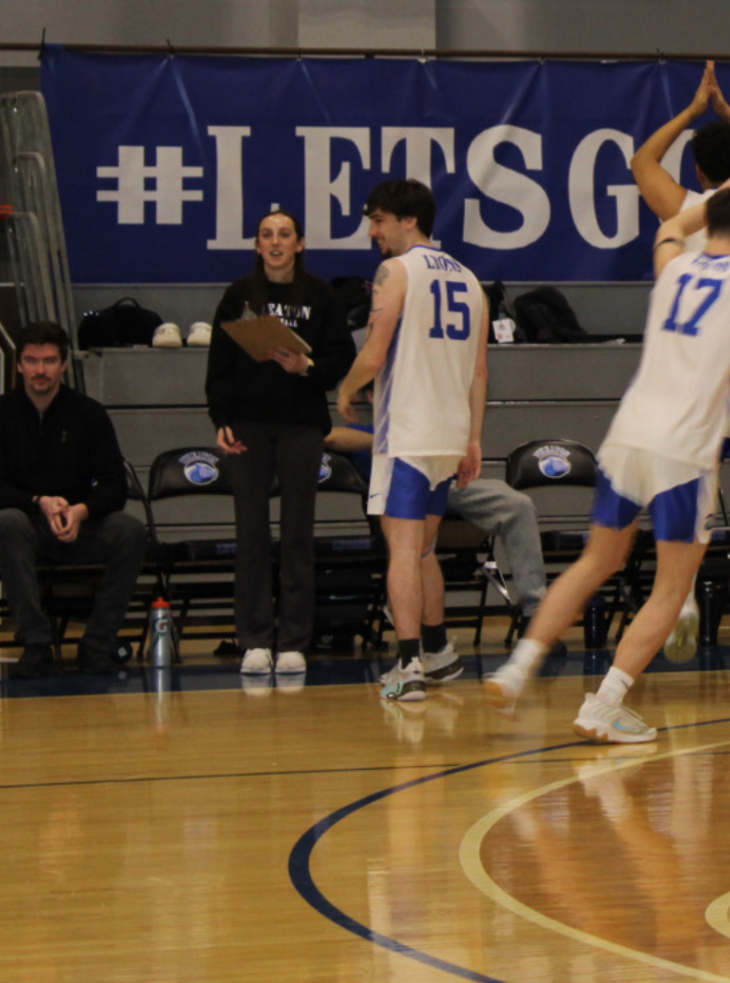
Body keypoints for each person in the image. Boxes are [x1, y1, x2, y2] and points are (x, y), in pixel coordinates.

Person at [485, 141, 730, 742]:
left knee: (597, 561)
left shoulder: (672, 259)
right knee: (672, 589)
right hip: (682, 452)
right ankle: (604, 704)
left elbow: (679, 221)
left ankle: (519, 666)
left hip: (626, 438)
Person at [632, 60, 730, 662]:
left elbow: (641, 160)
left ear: (699, 169)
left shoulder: (683, 207)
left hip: (693, 373)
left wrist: (692, 109)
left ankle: (681, 596)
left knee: (695, 487)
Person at [337, 178, 489, 703]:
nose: (372, 232)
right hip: (449, 433)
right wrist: (474, 439)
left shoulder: (396, 271)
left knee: (401, 549)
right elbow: (479, 373)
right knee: (423, 548)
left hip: (407, 430)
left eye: (378, 220)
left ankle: (408, 666)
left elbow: (374, 353)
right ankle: (439, 650)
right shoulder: (470, 279)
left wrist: (347, 386)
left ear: (408, 220)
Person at [207, 210, 356, 677]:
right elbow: (219, 362)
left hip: (301, 427)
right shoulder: (239, 294)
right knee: (251, 534)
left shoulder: (320, 295)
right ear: (257, 245)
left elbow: (341, 359)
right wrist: (221, 418)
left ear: (299, 244)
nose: (275, 242)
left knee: (296, 536)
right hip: (248, 425)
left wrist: (305, 366)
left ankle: (293, 641)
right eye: (267, 235)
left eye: (284, 235)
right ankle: (254, 640)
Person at [0, 321, 150, 677]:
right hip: (23, 522)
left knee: (131, 531)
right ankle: (36, 644)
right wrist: (38, 501)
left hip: (79, 523)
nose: (40, 370)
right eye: (32, 360)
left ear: (64, 365)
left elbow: (114, 485)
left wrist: (82, 511)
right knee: (7, 522)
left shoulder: (89, 413)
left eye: (49, 361)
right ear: (19, 365)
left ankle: (97, 643)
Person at [327, 420, 550, 627]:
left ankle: (534, 614)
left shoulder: (422, 417)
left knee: (519, 504)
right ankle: (414, 621)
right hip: (402, 496)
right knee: (414, 518)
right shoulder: (366, 429)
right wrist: (389, 442)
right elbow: (329, 436)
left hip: (449, 486)